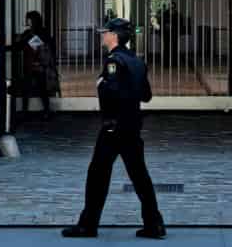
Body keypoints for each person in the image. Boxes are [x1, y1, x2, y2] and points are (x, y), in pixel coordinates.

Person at [63, 17, 163, 239]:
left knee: (97, 175)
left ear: (114, 35)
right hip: (133, 125)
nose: (102, 35)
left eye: (105, 32)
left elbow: (112, 93)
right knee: (140, 177)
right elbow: (146, 96)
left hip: (114, 127)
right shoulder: (137, 61)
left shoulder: (114, 61)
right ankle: (154, 224)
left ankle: (88, 226)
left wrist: (102, 85)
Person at [10, 10, 59, 115]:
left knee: (34, 89)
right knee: (36, 88)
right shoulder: (36, 33)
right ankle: (42, 110)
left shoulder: (32, 33)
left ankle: (28, 111)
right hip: (36, 65)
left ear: (33, 20)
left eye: (29, 19)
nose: (27, 22)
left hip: (35, 65)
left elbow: (20, 46)